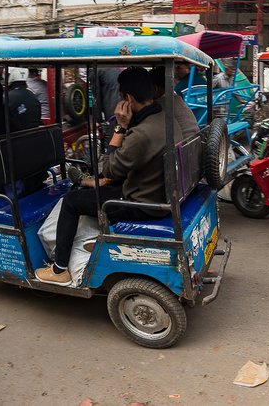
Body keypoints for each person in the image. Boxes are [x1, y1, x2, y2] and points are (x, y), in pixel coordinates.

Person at [36, 67, 180, 285]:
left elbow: (106, 169)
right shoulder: (166, 118)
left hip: (141, 203)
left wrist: (120, 128)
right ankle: (95, 232)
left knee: (71, 201)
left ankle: (59, 270)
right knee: (93, 188)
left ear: (128, 99)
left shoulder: (141, 134)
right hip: (154, 190)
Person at [150, 66, 201, 140]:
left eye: (178, 68)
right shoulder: (176, 98)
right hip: (194, 141)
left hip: (184, 144)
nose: (176, 71)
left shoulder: (159, 105)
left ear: (155, 88)